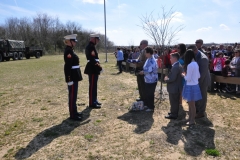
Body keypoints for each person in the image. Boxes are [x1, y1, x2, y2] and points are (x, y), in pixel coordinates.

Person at [187, 45, 211, 119]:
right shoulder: (195, 55)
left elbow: (202, 74)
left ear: (194, 50)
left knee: (202, 96)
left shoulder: (203, 58)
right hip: (196, 79)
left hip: (203, 80)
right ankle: (196, 109)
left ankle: (201, 112)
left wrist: (196, 85)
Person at [63, 34, 83, 121]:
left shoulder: (70, 50)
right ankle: (72, 114)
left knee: (74, 95)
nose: (75, 42)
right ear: (69, 42)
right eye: (73, 41)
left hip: (74, 75)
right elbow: (67, 66)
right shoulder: (68, 51)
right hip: (72, 77)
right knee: (72, 96)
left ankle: (74, 111)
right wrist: (68, 78)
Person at [182, 49, 202, 126]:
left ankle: (192, 120)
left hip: (190, 86)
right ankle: (190, 118)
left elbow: (188, 78)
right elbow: (199, 76)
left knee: (191, 105)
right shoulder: (195, 63)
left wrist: (184, 75)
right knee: (191, 104)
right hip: (195, 85)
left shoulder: (190, 65)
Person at [84, 34, 102, 108]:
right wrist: (98, 66)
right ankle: (92, 102)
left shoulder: (92, 46)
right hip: (92, 68)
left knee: (94, 85)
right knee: (92, 86)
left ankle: (94, 99)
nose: (97, 41)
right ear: (93, 39)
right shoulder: (90, 47)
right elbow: (91, 59)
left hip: (94, 68)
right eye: (97, 39)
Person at [164, 52, 183, 119]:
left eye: (171, 58)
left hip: (174, 87)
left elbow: (173, 78)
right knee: (174, 101)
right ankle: (173, 111)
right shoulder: (177, 65)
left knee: (174, 101)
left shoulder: (175, 67)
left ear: (175, 58)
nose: (170, 59)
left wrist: (166, 79)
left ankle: (174, 114)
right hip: (176, 87)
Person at [139, 47, 158, 112]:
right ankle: (148, 105)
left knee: (150, 93)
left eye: (146, 53)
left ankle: (151, 107)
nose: (145, 54)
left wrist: (143, 72)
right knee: (147, 93)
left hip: (152, 80)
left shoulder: (152, 60)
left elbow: (150, 70)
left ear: (149, 53)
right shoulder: (148, 59)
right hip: (148, 79)